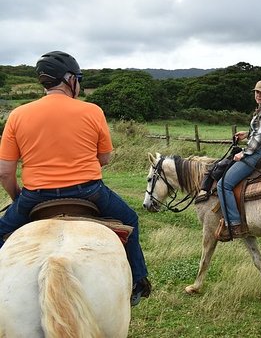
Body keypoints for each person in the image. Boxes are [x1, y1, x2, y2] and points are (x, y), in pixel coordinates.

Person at [0, 51, 152, 306]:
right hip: (89, 192)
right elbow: (104, 159)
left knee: (2, 231)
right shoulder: (92, 111)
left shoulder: (18, 115)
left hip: (35, 195)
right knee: (130, 219)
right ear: (69, 79)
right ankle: (138, 282)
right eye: (78, 79)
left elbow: (5, 171)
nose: (79, 85)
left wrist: (19, 198)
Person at [217, 79, 261, 241]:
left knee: (223, 184)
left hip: (259, 152)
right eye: (256, 92)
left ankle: (235, 224)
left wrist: (244, 153)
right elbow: (259, 133)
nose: (258, 95)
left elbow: (259, 140)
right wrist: (247, 135)